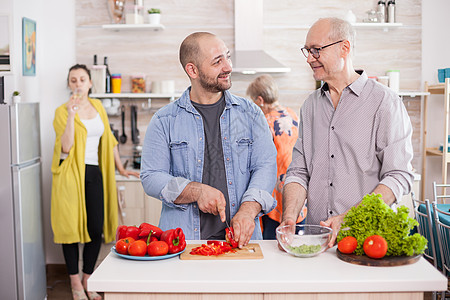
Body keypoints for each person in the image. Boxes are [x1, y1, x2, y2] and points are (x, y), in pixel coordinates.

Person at [280, 17, 414, 247]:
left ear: (345, 47)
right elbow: (299, 172)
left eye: (316, 50)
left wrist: (350, 219)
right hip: (318, 243)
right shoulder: (310, 106)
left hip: (369, 244)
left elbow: (398, 175)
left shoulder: (384, 101)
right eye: (307, 51)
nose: (310, 58)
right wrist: (290, 216)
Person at [140, 32, 277, 247]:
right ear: (192, 70)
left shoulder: (251, 114)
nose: (228, 67)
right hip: (184, 244)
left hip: (242, 243)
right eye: (217, 61)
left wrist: (248, 211)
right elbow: (150, 177)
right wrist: (197, 191)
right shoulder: (164, 120)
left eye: (227, 57)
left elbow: (265, 166)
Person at [51, 64, 139, 300]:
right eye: (73, 80)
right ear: (69, 85)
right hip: (71, 175)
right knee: (70, 229)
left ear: (90, 83)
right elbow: (66, 147)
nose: (78, 84)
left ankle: (87, 277)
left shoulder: (98, 106)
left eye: (82, 79)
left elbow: (109, 141)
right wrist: (71, 114)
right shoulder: (62, 111)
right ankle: (74, 283)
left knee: (96, 229)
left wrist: (122, 168)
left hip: (94, 173)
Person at [246, 74, 307, 239]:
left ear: (260, 100)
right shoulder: (292, 114)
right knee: (295, 238)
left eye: (253, 101)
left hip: (275, 188)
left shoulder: (265, 122)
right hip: (297, 185)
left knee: (273, 241)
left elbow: (256, 158)